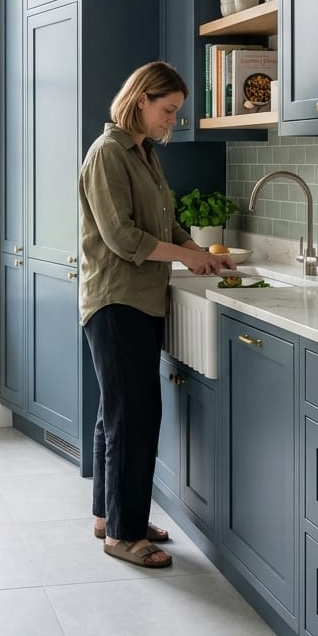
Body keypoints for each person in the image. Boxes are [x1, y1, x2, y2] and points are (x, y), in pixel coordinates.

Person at [79, 61, 237, 568]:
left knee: (118, 414)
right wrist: (186, 258)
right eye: (167, 110)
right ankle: (124, 536)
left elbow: (165, 224)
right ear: (141, 99)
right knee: (134, 417)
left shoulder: (143, 153)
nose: (173, 121)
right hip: (116, 300)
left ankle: (111, 516)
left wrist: (200, 251)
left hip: (141, 300)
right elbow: (123, 238)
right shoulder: (108, 154)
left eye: (176, 112)